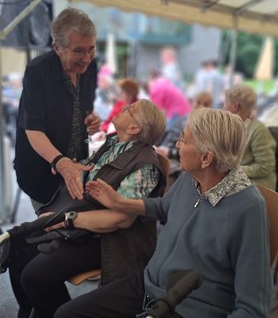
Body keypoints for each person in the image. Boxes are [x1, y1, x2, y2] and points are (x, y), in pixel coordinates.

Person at [55, 108, 272, 318]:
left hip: (187, 308)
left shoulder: (248, 208)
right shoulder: (192, 177)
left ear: (206, 158)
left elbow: (252, 308)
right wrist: (120, 202)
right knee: (66, 314)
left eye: (183, 140)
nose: (177, 145)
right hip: (149, 286)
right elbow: (163, 207)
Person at [9, 99, 167, 318]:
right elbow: (89, 174)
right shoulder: (113, 144)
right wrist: (73, 168)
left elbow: (120, 220)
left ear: (134, 128)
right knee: (17, 248)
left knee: (35, 276)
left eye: (130, 109)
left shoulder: (145, 165)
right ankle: (30, 312)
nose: (122, 108)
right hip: (84, 224)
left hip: (112, 240)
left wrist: (65, 219)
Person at [14, 7, 101, 208]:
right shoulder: (38, 71)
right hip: (41, 171)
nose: (87, 58)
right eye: (78, 51)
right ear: (57, 48)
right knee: (51, 227)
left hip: (77, 164)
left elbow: (83, 108)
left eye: (91, 49)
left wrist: (89, 119)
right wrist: (61, 163)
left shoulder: (91, 67)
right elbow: (33, 129)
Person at [224, 85, 277, 190]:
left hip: (257, 185)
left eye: (226, 102)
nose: (223, 106)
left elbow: (264, 167)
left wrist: (232, 171)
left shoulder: (258, 130)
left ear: (235, 106)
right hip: (237, 178)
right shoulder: (230, 126)